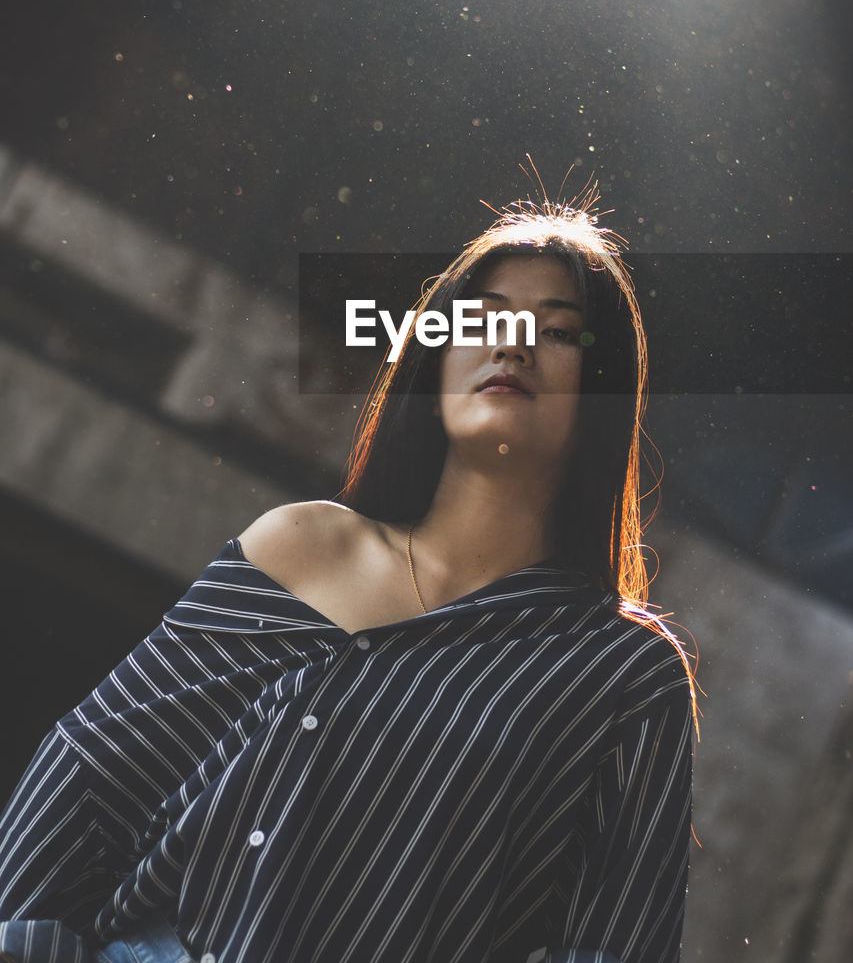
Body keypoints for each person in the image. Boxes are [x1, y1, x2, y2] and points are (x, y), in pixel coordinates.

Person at [0, 193, 697, 963]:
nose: (512, 344)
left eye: (558, 330)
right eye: (483, 318)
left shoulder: (623, 674)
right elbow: (91, 776)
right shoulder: (303, 547)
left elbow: (617, 945)